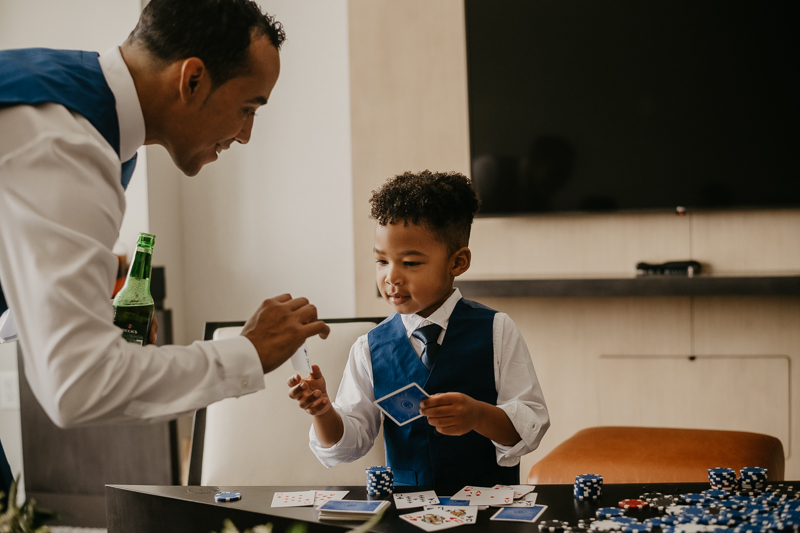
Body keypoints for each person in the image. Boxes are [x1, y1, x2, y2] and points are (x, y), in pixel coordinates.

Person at [0, 0, 330, 437]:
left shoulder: (73, 109)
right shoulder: (68, 144)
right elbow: (77, 386)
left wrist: (89, 312)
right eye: (248, 108)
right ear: (192, 79)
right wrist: (248, 351)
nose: (246, 135)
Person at [287, 170, 549, 486]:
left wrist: (478, 415)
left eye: (410, 263)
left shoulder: (497, 330)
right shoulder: (369, 346)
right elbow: (349, 444)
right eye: (382, 261)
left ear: (458, 263)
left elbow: (529, 426)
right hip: (405, 514)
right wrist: (323, 411)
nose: (391, 277)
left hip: (488, 512)